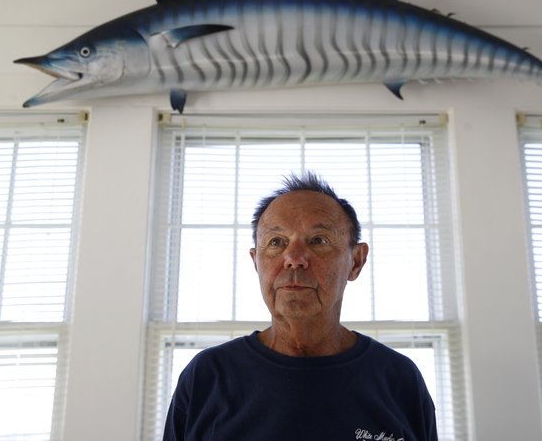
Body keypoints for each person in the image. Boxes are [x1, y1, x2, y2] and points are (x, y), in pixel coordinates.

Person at [163, 172, 438, 441]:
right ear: (256, 261)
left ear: (356, 261)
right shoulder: (207, 377)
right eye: (276, 242)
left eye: (318, 241)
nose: (294, 258)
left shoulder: (400, 380)